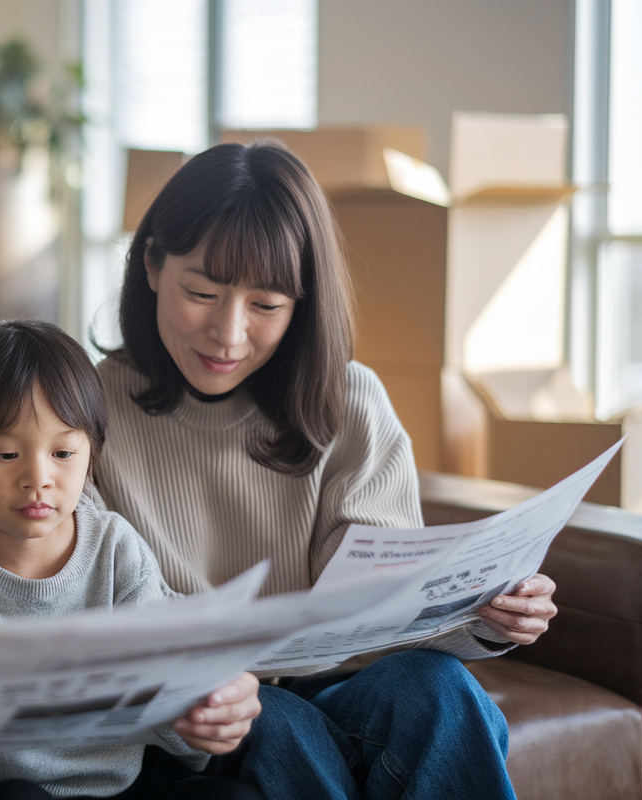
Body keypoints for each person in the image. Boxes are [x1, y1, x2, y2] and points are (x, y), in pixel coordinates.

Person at [92, 141, 558, 799]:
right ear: (150, 265)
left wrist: (486, 614)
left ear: (303, 304)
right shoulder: (82, 415)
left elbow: (393, 608)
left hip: (334, 681)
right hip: (195, 705)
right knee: (279, 727)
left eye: (266, 306)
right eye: (201, 292)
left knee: (440, 693)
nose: (227, 334)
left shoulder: (351, 402)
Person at [0, 319, 260, 800]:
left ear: (92, 451)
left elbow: (171, 722)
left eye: (64, 452)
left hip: (116, 787)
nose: (38, 478)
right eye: (6, 455)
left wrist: (198, 714)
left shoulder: (114, 548)